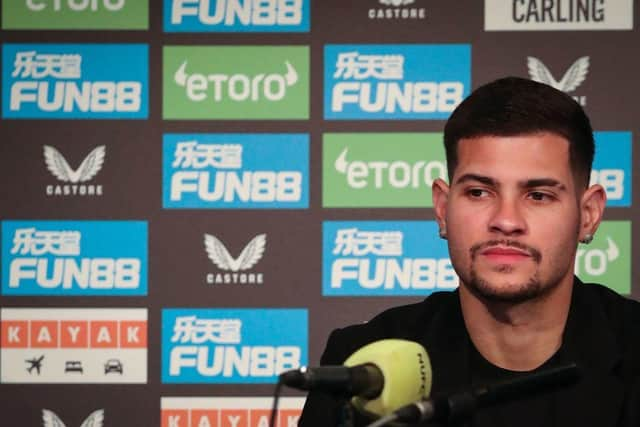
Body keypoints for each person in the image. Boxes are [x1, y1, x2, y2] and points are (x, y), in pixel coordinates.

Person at [299, 77, 640, 427]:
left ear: (588, 215)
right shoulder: (364, 367)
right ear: (442, 208)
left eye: (538, 195)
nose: (506, 221)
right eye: (479, 192)